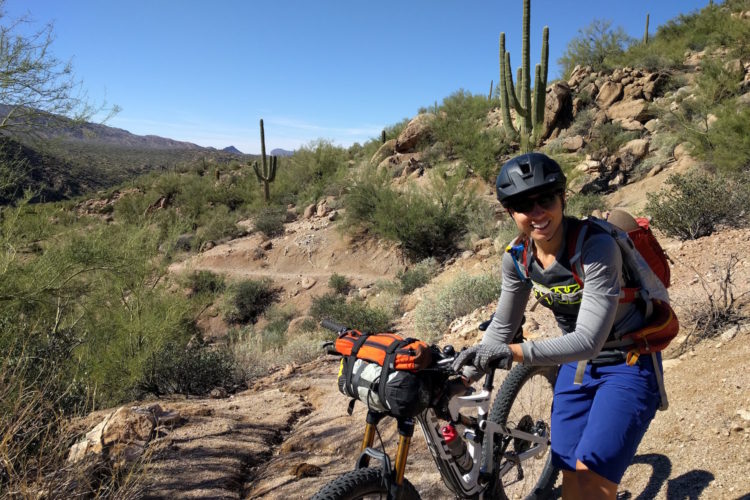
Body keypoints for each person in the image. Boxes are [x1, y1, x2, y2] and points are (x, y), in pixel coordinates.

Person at [453, 152, 664, 499]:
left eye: (545, 199)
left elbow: (589, 340)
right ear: (511, 212)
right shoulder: (518, 258)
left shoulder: (595, 247)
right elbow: (502, 330)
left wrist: (511, 353)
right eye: (523, 204)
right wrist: (464, 376)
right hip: (576, 367)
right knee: (569, 472)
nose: (537, 213)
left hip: (626, 362)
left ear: (562, 198)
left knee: (592, 481)